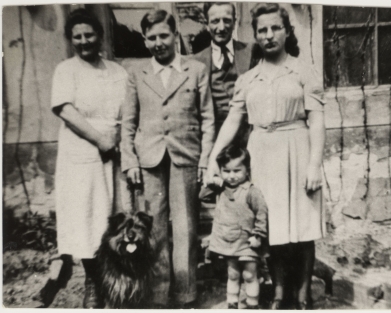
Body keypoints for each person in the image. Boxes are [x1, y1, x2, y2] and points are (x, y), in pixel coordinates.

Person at [205, 3, 326, 310]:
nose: (269, 35)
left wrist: (314, 164)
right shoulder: (248, 79)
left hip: (297, 148)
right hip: (261, 153)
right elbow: (233, 121)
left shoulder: (303, 70)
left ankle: (302, 296)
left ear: (287, 31)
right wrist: (211, 159)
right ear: (255, 35)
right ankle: (280, 293)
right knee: (270, 225)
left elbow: (317, 120)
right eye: (262, 30)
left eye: (275, 28)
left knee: (302, 225)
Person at [120, 10, 215, 308]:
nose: (159, 42)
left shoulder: (196, 70)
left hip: (185, 157)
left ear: (175, 36)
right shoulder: (137, 74)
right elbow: (128, 122)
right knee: (155, 228)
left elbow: (208, 119)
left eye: (164, 35)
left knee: (186, 227)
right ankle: (159, 294)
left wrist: (204, 160)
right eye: (152, 38)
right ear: (145, 41)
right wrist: (130, 161)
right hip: (149, 160)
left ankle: (185, 293)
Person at [50, 9, 128, 308]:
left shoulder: (117, 71)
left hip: (114, 153)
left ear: (100, 35)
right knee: (85, 219)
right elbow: (66, 111)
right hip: (81, 152)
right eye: (77, 37)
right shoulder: (65, 70)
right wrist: (101, 140)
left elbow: (127, 112)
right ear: (71, 40)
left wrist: (118, 142)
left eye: (89, 34)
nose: (84, 41)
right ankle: (93, 283)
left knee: (112, 219)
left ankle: (117, 281)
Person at [204, 144, 268, 309]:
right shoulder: (221, 189)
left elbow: (261, 213)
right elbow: (202, 196)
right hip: (228, 241)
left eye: (237, 171)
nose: (231, 176)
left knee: (249, 274)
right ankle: (232, 305)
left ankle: (252, 305)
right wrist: (213, 182)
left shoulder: (251, 192)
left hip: (247, 242)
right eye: (226, 171)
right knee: (232, 274)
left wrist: (258, 235)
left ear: (247, 170)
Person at [193, 2, 253, 137]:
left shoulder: (251, 52)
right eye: (215, 21)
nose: (221, 27)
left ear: (235, 22)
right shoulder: (196, 62)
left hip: (248, 137)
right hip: (213, 138)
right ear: (207, 24)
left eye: (227, 20)